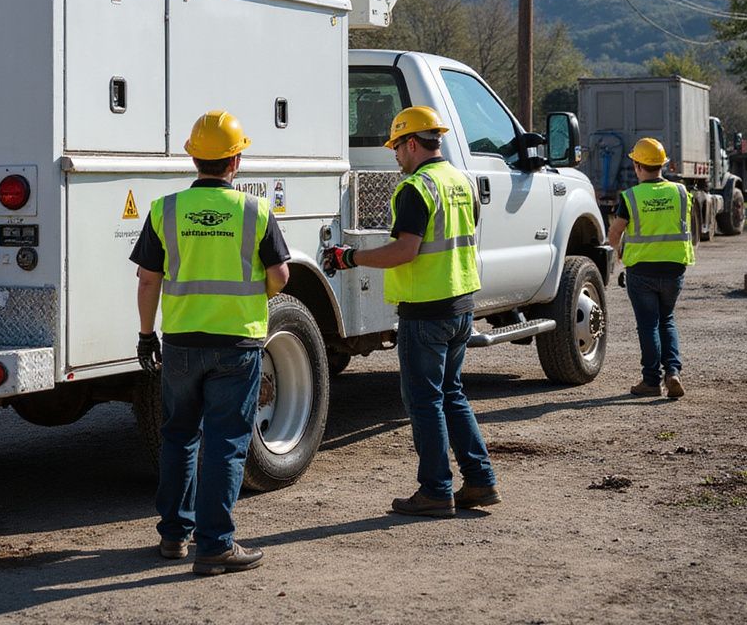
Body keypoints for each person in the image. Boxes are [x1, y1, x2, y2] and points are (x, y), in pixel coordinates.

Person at [132, 110, 290, 575]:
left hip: (182, 342)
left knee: (179, 436)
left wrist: (146, 336)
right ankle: (216, 544)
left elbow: (147, 281)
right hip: (237, 344)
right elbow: (280, 276)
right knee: (225, 442)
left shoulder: (166, 209)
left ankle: (173, 537)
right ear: (235, 160)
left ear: (194, 157)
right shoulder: (255, 210)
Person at [322, 105, 499, 518]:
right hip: (460, 304)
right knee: (450, 394)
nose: (395, 156)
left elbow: (405, 250)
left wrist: (350, 257)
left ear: (414, 143)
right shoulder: (461, 181)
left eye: (397, 147)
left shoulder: (416, 188)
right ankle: (480, 480)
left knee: (424, 401)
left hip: (426, 310)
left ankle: (436, 490)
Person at [605, 137, 694, 400]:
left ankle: (651, 381)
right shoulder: (680, 192)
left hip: (642, 272)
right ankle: (673, 373)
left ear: (637, 166)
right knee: (666, 320)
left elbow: (614, 233)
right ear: (662, 165)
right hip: (673, 269)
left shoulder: (631, 197)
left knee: (648, 325)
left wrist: (621, 252)